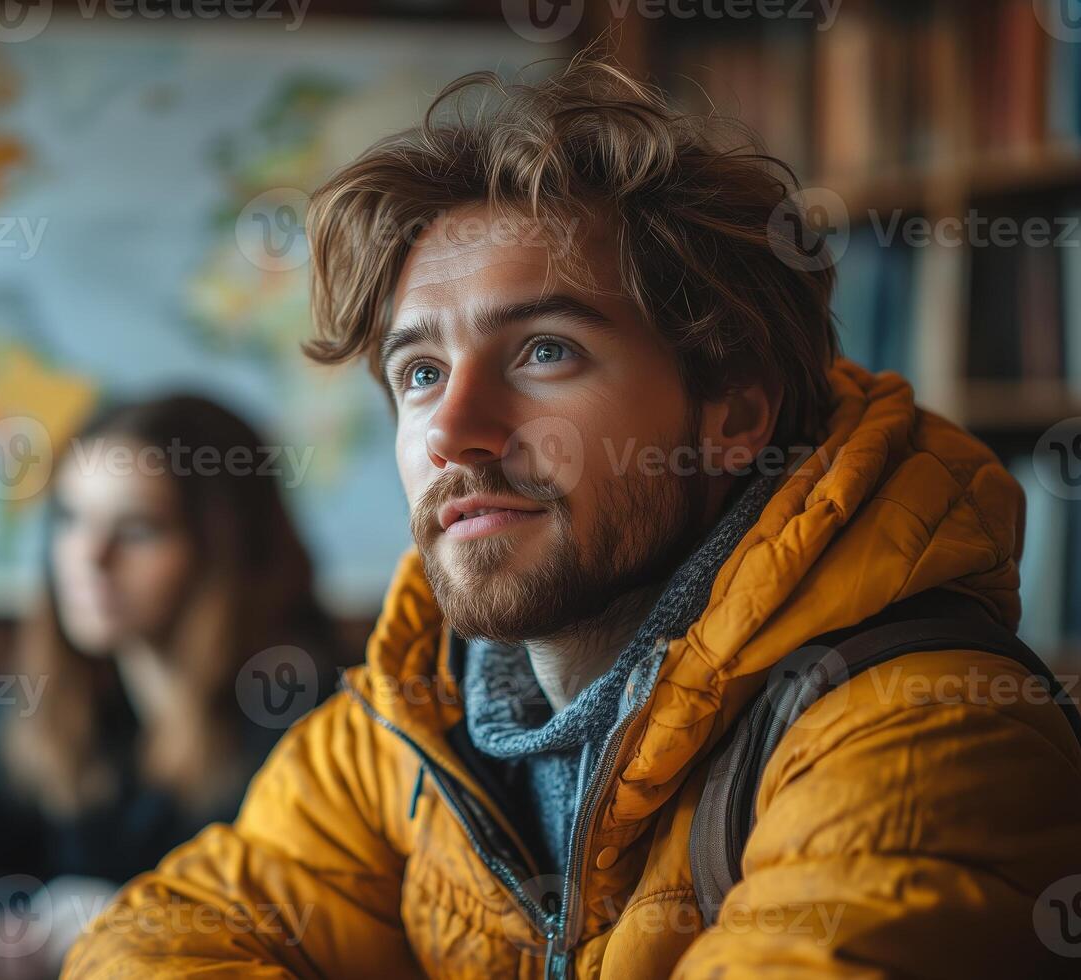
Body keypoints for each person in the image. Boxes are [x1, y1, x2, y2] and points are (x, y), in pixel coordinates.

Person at [63, 53, 1081, 978]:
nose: (453, 431)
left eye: (545, 349)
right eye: (419, 372)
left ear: (732, 412)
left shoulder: (922, 731)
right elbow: (152, 938)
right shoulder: (405, 729)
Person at [0, 394, 341, 976]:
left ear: (224, 550)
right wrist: (15, 923)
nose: (89, 556)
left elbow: (328, 935)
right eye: (70, 519)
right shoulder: (35, 706)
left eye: (138, 529)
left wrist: (144, 927)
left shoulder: (310, 715)